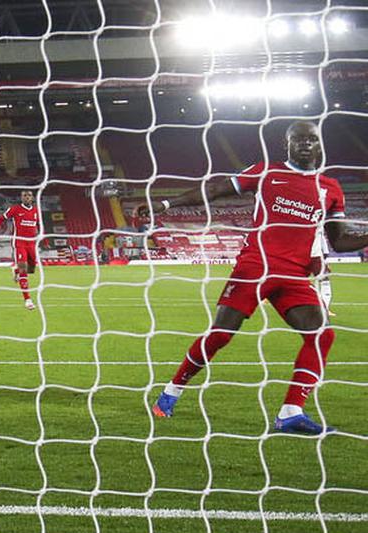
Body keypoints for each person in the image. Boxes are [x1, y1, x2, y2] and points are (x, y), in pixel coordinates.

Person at [144, 121, 368, 434]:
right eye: (298, 139)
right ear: (286, 144)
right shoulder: (267, 172)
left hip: (294, 276)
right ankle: (171, 391)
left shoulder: (330, 187)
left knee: (321, 336)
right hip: (256, 266)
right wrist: (167, 204)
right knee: (222, 334)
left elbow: (340, 240)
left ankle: (291, 413)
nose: (305, 144)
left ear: (320, 145)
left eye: (311, 139)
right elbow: (217, 188)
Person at [0, 190, 41, 310]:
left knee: (31, 269)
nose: (27, 197)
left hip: (31, 244)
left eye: (29, 195)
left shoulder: (36, 211)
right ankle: (28, 299)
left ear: (32, 197)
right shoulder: (15, 209)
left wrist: (44, 241)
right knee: (24, 269)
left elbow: (39, 226)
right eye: (24, 195)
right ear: (21, 197)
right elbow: (1, 218)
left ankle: (16, 271)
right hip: (19, 243)